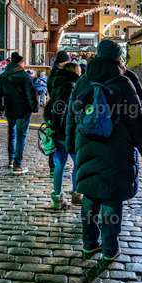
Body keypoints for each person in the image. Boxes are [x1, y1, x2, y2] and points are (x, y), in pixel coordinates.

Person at [67, 39, 142, 260]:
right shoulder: (123, 82)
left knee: (90, 194)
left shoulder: (82, 81)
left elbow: (71, 116)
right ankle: (110, 248)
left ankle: (89, 243)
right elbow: (137, 123)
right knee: (111, 197)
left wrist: (72, 146)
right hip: (116, 150)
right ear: (118, 58)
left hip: (86, 148)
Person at [46, 60, 81, 209]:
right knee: (76, 162)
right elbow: (59, 108)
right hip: (67, 131)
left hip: (61, 131)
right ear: (74, 71)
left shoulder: (57, 83)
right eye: (79, 70)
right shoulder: (69, 85)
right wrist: (55, 126)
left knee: (60, 163)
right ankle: (76, 194)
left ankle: (58, 197)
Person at [0, 52, 38, 173]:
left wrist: (0, 107)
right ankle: (17, 165)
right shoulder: (25, 76)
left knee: (12, 134)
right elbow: (31, 94)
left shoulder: (3, 76)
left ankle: (11, 159)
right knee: (21, 137)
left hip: (10, 110)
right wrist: (34, 108)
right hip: (23, 111)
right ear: (20, 63)